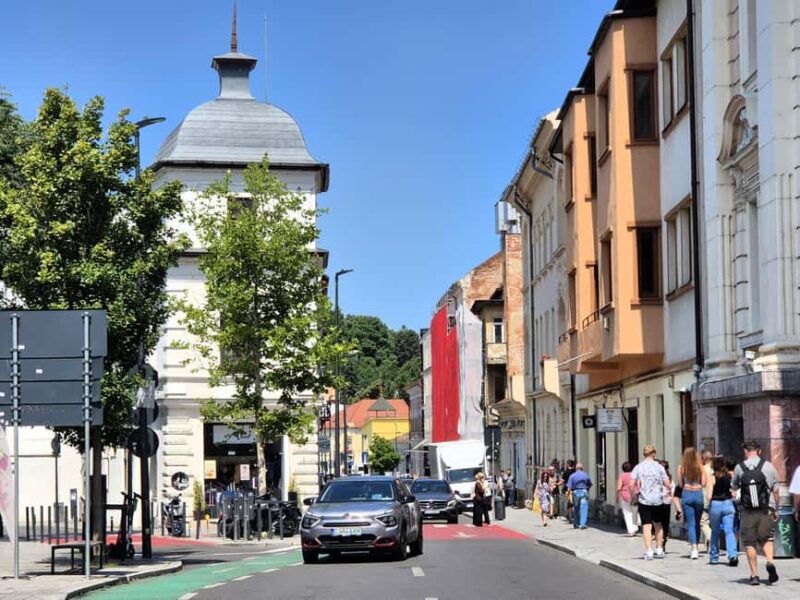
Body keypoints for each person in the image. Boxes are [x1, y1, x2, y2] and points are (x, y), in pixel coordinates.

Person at [731, 440, 780, 585]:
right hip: (766, 509)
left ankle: (754, 575)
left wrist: (738, 500)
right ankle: (770, 562)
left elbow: (733, 488)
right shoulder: (769, 466)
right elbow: (776, 490)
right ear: (759, 451)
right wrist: (776, 508)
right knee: (767, 538)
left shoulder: (739, 468)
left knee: (749, 541)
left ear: (745, 451)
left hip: (747, 511)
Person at [630, 445, 670, 560]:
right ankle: (659, 548)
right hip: (658, 500)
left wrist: (635, 494)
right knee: (658, 524)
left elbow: (631, 484)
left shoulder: (639, 467)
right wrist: (665, 491)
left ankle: (649, 551)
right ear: (654, 454)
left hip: (644, 500)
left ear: (644, 454)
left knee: (646, 526)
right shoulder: (659, 467)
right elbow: (667, 482)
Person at [708, 455, 738, 566]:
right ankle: (732, 555)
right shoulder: (729, 475)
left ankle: (714, 557)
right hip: (728, 504)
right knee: (729, 531)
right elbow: (734, 490)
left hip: (716, 504)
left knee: (715, 531)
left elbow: (709, 495)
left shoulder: (712, 477)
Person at [677, 447, 707, 559]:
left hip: (687, 493)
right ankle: (697, 547)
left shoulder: (681, 468)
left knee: (690, 523)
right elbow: (703, 483)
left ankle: (693, 548)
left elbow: (680, 484)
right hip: (698, 493)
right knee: (697, 522)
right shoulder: (701, 467)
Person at [659, 460, 681, 554]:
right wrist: (677, 508)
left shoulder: (658, 478)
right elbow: (673, 495)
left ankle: (660, 543)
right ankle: (663, 539)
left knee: (658, 524)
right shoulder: (670, 479)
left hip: (658, 503)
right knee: (665, 524)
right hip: (667, 503)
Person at [566, 463, 592, 529]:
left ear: (576, 468)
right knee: (584, 508)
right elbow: (590, 484)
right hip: (584, 491)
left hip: (575, 492)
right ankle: (583, 524)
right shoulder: (585, 475)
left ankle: (576, 524)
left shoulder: (572, 476)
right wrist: (587, 489)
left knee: (576, 508)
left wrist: (568, 495)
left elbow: (569, 487)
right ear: (582, 468)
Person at [616, 461, 639, 536]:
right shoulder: (634, 475)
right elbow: (638, 485)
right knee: (635, 513)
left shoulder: (622, 476)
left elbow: (619, 488)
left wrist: (618, 497)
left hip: (625, 496)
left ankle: (630, 530)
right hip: (634, 496)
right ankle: (635, 527)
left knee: (627, 514)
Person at [700, 451, 714, 551]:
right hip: (714, 499)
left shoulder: (702, 469)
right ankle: (709, 545)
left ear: (704, 459)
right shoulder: (714, 470)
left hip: (703, 497)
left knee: (703, 522)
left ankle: (710, 537)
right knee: (710, 521)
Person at [561, 459, 576, 524]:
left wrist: (556, 484)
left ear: (567, 465)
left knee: (569, 504)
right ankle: (575, 517)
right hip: (575, 489)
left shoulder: (565, 472)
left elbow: (562, 481)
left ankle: (570, 518)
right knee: (575, 504)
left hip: (568, 490)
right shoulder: (575, 472)